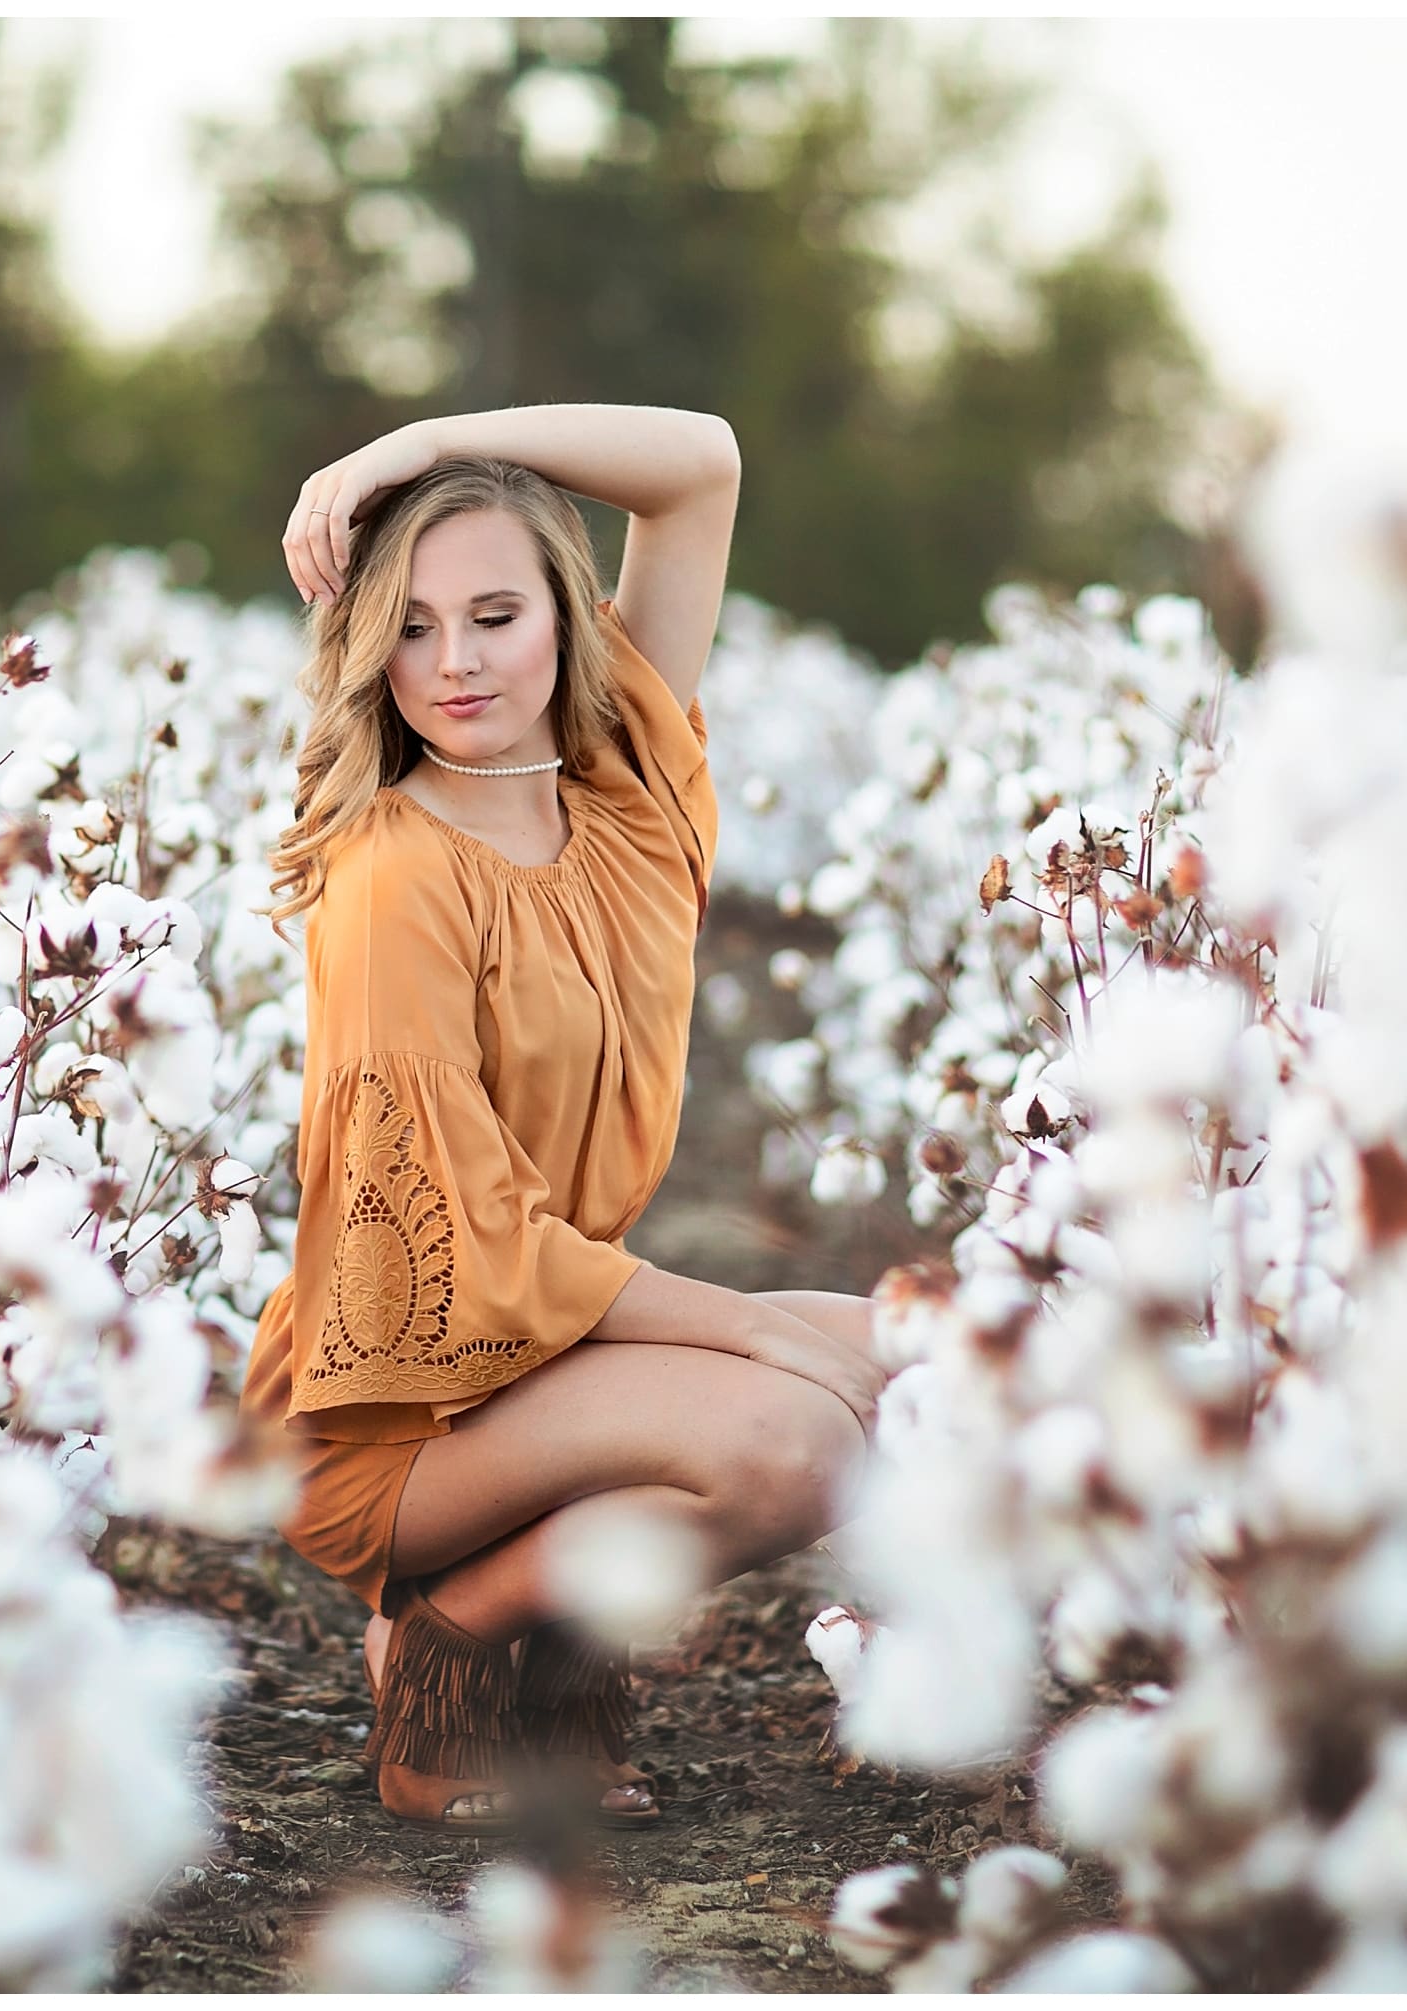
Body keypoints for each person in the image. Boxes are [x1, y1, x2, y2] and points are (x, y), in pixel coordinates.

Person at [240, 403, 885, 1834]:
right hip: (402, 1411)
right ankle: (451, 1645)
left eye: (493, 613)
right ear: (365, 649)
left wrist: (406, 448)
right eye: (409, 626)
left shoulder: (628, 793)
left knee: (919, 1371)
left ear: (566, 619)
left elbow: (706, 461)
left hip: (544, 1355)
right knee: (800, 1436)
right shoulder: (394, 879)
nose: (456, 662)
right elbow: (468, 1252)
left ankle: (558, 1667)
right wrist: (754, 1331)